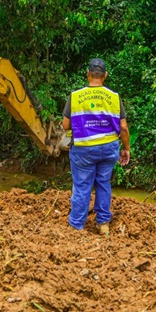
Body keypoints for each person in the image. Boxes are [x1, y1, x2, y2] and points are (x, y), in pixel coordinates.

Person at [62, 58, 130, 236]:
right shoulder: (114, 97)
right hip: (108, 149)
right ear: (105, 75)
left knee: (82, 185)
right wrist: (126, 149)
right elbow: (123, 127)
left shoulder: (75, 96)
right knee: (103, 183)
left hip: (83, 149)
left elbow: (65, 125)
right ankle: (103, 224)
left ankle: (76, 224)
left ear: (88, 74)